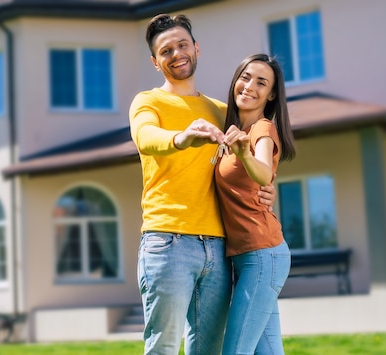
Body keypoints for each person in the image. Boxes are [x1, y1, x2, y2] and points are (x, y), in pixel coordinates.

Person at [129, 14, 276, 355]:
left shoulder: (222, 111)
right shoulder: (148, 101)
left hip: (219, 247)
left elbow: (251, 157)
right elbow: (145, 137)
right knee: (163, 347)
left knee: (209, 349)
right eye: (166, 50)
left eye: (182, 45)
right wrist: (182, 137)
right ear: (155, 62)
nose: (176, 53)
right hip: (168, 242)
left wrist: (267, 186)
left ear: (196, 48)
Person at [215, 54, 296, 355]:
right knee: (268, 351)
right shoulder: (232, 131)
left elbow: (262, 171)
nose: (249, 86)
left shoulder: (262, 130)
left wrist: (245, 154)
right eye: (245, 77)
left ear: (271, 94)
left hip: (262, 256)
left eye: (261, 82)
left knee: (235, 351)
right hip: (250, 257)